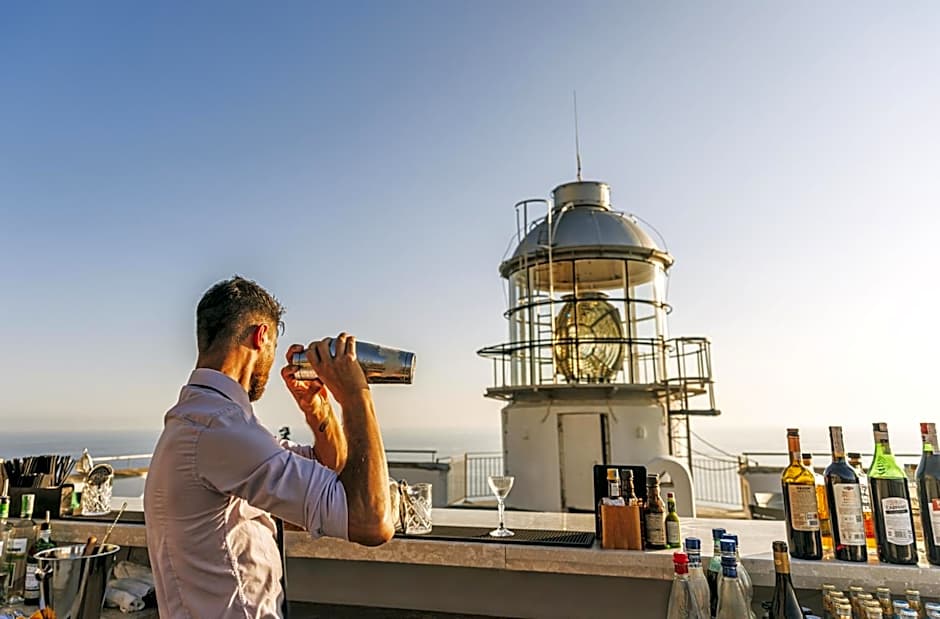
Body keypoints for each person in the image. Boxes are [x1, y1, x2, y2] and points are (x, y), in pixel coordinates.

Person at [144, 276, 393, 618]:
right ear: (261, 336)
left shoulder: (207, 421)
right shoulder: (219, 428)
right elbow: (371, 521)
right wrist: (355, 395)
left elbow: (329, 467)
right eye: (275, 347)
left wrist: (318, 409)